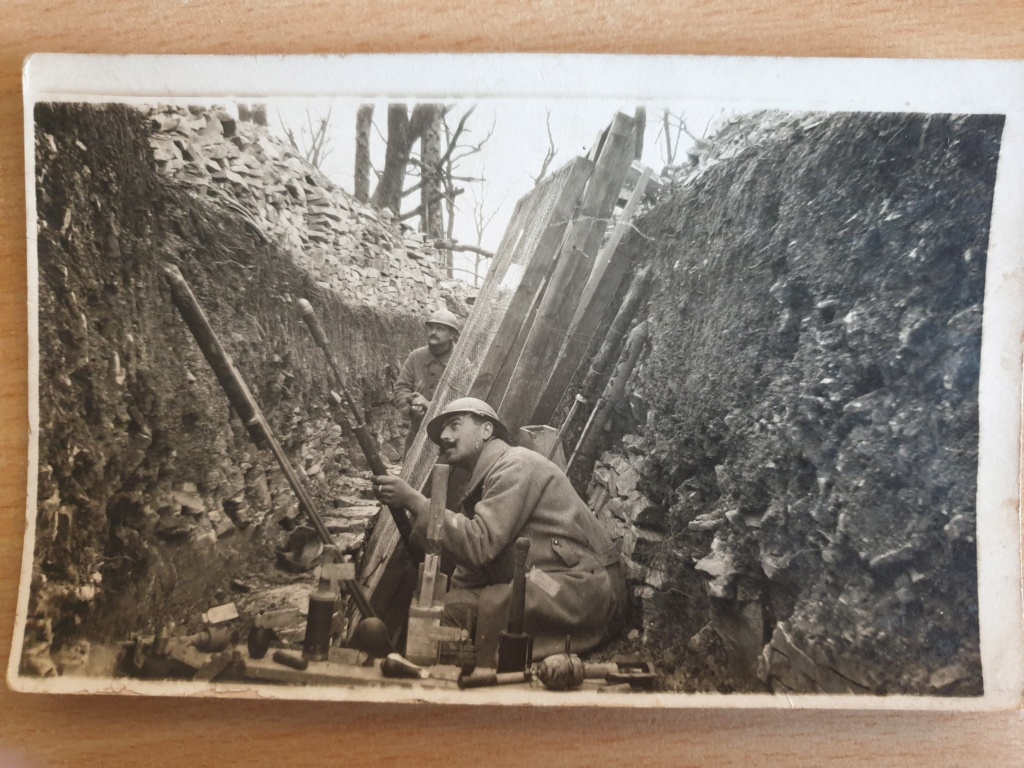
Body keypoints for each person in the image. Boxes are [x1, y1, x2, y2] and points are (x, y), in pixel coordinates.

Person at [372, 397, 626, 665]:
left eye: (454, 425)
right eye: (441, 433)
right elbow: (471, 569)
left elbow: (480, 544)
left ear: (486, 430)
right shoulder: (488, 480)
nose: (444, 437)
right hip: (550, 580)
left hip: (584, 590)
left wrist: (415, 502)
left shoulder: (514, 465)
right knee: (448, 609)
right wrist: (447, 600)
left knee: (472, 609)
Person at [393, 308, 462, 457]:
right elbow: (401, 387)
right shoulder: (415, 356)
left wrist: (430, 406)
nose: (433, 332)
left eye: (440, 328)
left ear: (452, 335)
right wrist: (412, 406)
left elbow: (463, 403)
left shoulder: (462, 364)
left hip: (450, 439)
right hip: (417, 434)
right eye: (431, 327)